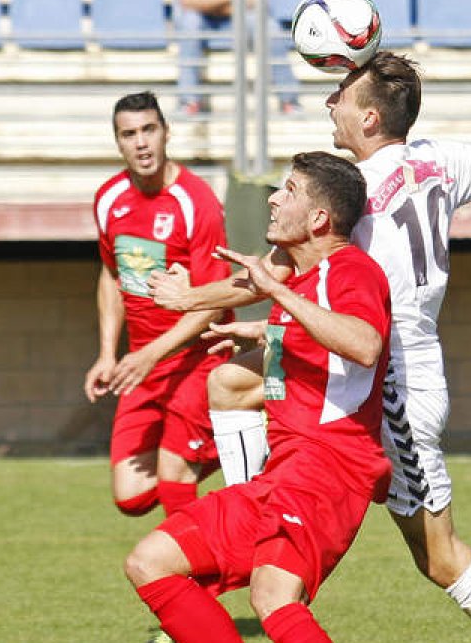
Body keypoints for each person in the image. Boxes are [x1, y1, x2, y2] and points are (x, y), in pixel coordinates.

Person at [149, 51, 471, 641]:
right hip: (365, 360)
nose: (331, 104)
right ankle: (257, 525)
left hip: (394, 377)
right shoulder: (440, 159)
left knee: (439, 556)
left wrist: (187, 299)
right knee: (232, 382)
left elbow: (266, 271)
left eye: (342, 97)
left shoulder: (357, 193)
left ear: (371, 119)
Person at [124, 151, 393, 642]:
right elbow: (314, 334)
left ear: (318, 219)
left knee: (271, 596)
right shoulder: (308, 277)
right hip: (286, 472)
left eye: (289, 190)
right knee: (150, 561)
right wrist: (266, 330)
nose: (273, 197)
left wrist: (279, 296)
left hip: (328, 471)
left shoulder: (349, 270)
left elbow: (365, 344)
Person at [83, 91, 233, 519]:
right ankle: (227, 437)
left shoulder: (196, 201)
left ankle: (190, 578)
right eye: (129, 134)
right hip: (143, 363)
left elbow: (214, 301)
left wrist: (150, 353)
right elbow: (111, 275)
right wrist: (108, 354)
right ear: (118, 143)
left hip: (198, 356)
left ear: (167, 132)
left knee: (173, 476)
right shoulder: (109, 198)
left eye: (149, 130)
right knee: (130, 496)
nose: (141, 143)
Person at [173, 0, 301, 115]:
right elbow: (187, 1)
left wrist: (209, 3)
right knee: (190, 23)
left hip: (234, 15)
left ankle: (289, 101)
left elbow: (254, 0)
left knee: (269, 26)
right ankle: (189, 101)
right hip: (205, 17)